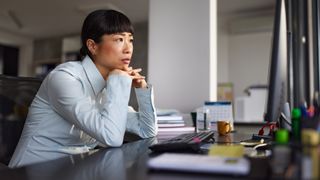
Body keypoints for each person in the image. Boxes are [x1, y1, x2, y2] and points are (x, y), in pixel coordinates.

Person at [9, 9, 157, 168]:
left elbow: (147, 131)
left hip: (73, 168)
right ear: (92, 46)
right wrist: (118, 80)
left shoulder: (108, 86)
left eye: (131, 40)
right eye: (119, 39)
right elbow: (111, 138)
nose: (128, 48)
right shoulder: (64, 79)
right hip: (32, 171)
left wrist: (141, 89)